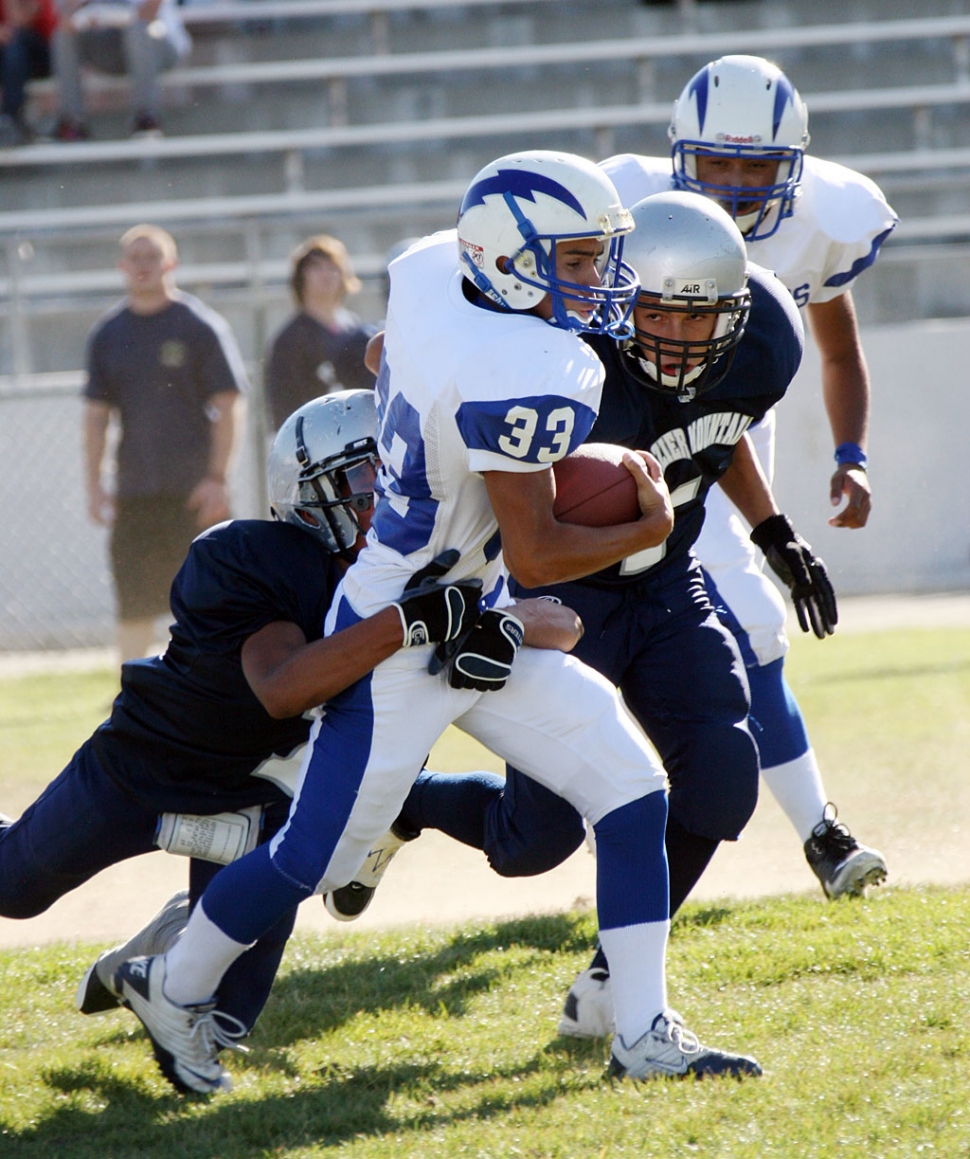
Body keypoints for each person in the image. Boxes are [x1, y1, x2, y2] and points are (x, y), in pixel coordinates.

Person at [112, 150, 762, 1095]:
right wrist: (648, 524)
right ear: (508, 260)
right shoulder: (529, 365)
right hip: (404, 627)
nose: (601, 281)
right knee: (311, 858)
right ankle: (169, 982)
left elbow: (382, 357)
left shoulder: (430, 271)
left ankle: (641, 1028)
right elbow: (540, 553)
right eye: (578, 261)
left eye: (599, 256)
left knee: (630, 789)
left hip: (472, 606)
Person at [364, 191, 831, 1039]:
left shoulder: (766, 335)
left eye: (703, 319)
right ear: (620, 298)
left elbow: (713, 437)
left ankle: (615, 977)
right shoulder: (556, 357)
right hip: (560, 597)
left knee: (723, 779)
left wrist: (772, 530)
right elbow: (422, 360)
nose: (681, 339)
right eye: (659, 313)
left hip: (666, 581)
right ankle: (414, 805)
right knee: (530, 842)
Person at [2, 389, 502, 1049]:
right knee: (16, 886)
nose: (383, 497)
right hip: (149, 766)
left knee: (224, 1015)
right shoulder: (264, 559)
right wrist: (407, 623)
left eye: (393, 475)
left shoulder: (420, 566)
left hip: (257, 797)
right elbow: (280, 688)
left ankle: (182, 936)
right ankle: (182, 925)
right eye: (361, 478)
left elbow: (538, 610)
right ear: (309, 494)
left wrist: (505, 624)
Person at [600, 54, 894, 900]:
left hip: (720, 437)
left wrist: (851, 455)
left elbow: (837, 348)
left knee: (757, 630)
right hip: (611, 434)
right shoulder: (628, 204)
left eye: (754, 166)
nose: (731, 185)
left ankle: (820, 835)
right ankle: (402, 807)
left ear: (791, 167)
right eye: (716, 163)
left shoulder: (815, 226)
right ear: (679, 158)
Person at [83, 223, 246, 664]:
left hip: (194, 495)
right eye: (133, 257)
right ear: (121, 267)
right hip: (135, 494)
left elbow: (228, 404)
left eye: (151, 256)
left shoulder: (198, 326)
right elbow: (96, 417)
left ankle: (215, 693)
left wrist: (217, 479)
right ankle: (133, 700)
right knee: (133, 607)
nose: (142, 266)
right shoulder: (109, 333)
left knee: (207, 606)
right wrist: (95, 485)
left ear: (170, 264)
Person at [265, 234, 377, 433]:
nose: (326, 274)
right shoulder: (290, 340)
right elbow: (283, 408)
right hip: (318, 440)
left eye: (333, 266)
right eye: (317, 267)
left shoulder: (355, 329)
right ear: (301, 277)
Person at [51, 0, 190, 139]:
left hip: (159, 44)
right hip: (112, 47)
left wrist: (104, 16)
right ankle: (72, 123)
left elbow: (148, 14)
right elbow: (67, 16)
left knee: (139, 30)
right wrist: (81, 16)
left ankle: (146, 118)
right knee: (64, 34)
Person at [0, 0, 55, 144]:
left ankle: (10, 117)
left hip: (38, 55)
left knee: (15, 43)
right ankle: (10, 119)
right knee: (11, 48)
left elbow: (21, 19)